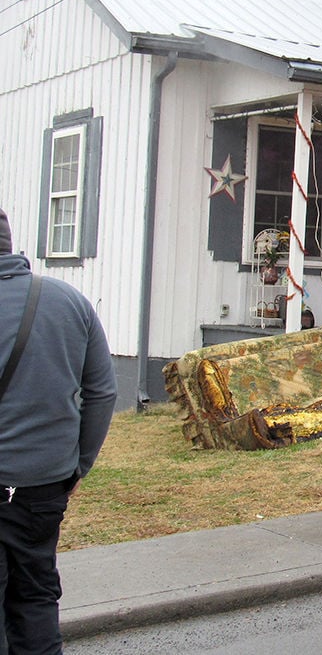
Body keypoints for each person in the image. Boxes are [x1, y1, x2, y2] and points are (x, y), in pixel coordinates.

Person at [0, 209, 117, 653]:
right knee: (35, 595)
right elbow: (102, 393)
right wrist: (78, 466)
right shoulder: (69, 301)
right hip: (44, 485)